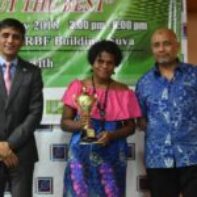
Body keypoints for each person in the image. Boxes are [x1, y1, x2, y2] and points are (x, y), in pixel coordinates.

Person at [61, 40, 141, 197]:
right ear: (92, 62)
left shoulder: (124, 91)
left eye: (109, 62)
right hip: (81, 155)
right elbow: (64, 123)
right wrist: (80, 124)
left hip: (113, 155)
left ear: (115, 65)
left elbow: (131, 127)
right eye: (100, 61)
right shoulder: (78, 87)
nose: (104, 66)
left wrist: (112, 135)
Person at [136, 28, 197, 197]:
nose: (161, 49)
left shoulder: (194, 75)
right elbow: (142, 119)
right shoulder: (144, 83)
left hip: (193, 156)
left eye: (166, 43)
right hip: (159, 159)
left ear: (177, 46)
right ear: (152, 50)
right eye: (156, 45)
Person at [0, 18, 43, 197]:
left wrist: (8, 145)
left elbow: (35, 113)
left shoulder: (32, 72)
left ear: (23, 41)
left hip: (22, 153)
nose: (10, 40)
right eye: (5, 35)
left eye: (16, 37)